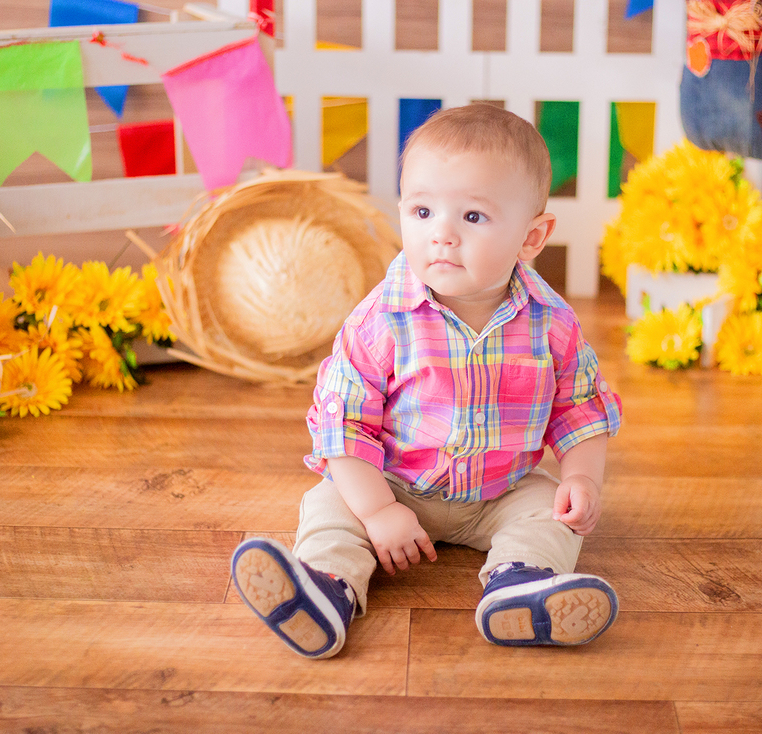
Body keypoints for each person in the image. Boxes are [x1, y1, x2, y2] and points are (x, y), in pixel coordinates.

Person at [231, 103, 623, 659]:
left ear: (532, 236)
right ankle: (324, 588)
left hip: (500, 490)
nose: (441, 234)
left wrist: (582, 480)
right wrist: (377, 511)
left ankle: (520, 583)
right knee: (329, 503)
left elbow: (580, 408)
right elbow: (344, 426)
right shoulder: (381, 321)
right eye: (421, 211)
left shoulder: (552, 323)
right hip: (391, 481)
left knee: (549, 509)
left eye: (473, 217)